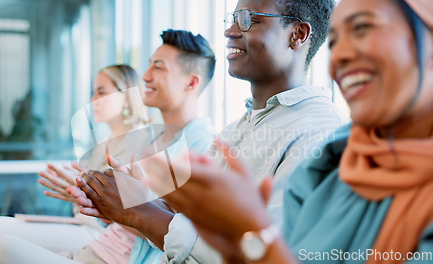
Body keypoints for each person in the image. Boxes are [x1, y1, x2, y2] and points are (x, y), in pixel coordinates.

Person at [145, 0, 433, 263]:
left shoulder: (324, 140)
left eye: (363, 29)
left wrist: (246, 228)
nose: (341, 55)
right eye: (335, 40)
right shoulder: (349, 158)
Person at [75, 0, 349, 263]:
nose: (229, 31)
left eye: (247, 20)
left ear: (297, 34)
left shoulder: (321, 132)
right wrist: (124, 199)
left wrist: (137, 211)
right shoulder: (236, 129)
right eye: (232, 19)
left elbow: (276, 253)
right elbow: (190, 226)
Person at [0, 64, 151, 264]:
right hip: (82, 224)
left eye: (101, 92)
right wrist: (74, 190)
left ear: (126, 96)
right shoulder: (101, 147)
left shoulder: (145, 144)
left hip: (101, 234)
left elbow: (134, 210)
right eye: (93, 93)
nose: (93, 101)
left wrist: (87, 195)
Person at [70, 29, 218, 264]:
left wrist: (122, 210)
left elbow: (177, 234)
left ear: (191, 82)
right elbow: (122, 217)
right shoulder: (150, 139)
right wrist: (96, 199)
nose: (146, 76)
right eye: (149, 65)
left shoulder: (203, 150)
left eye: (158, 67)